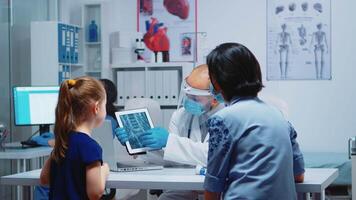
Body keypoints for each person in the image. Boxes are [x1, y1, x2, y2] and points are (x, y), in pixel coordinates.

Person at [204, 43, 305, 200]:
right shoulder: (279, 116)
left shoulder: (222, 120)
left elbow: (213, 187)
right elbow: (298, 176)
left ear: (217, 81)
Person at [115, 64, 225, 199]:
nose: (188, 101)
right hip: (185, 188)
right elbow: (174, 160)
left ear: (214, 99)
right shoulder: (180, 116)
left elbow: (210, 155)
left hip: (217, 192)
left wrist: (169, 141)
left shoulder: (226, 118)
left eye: (195, 98)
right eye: (187, 95)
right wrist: (140, 143)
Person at [39, 77, 110, 199]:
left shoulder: (62, 142)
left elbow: (44, 179)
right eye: (105, 105)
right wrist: (104, 171)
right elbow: (95, 193)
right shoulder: (90, 147)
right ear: (96, 108)